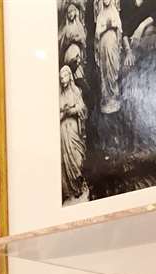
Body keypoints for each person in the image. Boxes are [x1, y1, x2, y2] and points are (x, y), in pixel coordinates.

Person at [59, 64, 89, 203]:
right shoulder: (58, 95)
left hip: (74, 130)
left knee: (77, 158)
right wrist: (63, 114)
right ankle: (73, 189)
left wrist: (71, 111)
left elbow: (82, 107)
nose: (62, 79)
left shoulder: (76, 91)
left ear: (69, 76)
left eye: (64, 76)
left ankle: (79, 184)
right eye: (61, 78)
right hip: (64, 131)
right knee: (67, 160)